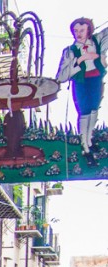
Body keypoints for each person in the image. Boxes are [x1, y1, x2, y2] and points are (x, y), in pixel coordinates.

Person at [55, 18, 108, 163]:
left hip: (96, 80)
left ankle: (89, 140)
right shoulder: (70, 51)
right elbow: (61, 76)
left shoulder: (96, 42)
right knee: (84, 112)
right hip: (81, 82)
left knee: (94, 110)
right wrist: (80, 60)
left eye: (82, 30)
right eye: (76, 31)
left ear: (88, 30)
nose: (78, 34)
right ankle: (84, 147)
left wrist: (96, 56)